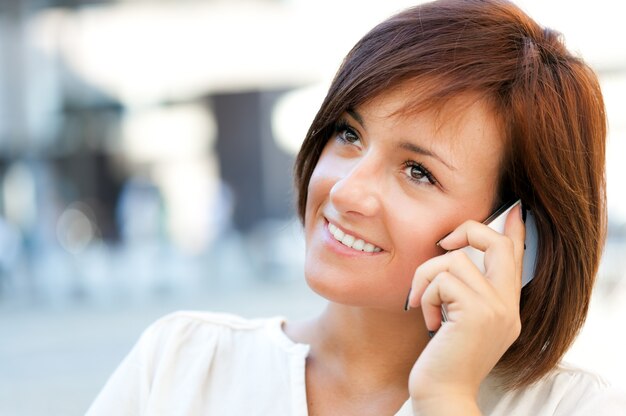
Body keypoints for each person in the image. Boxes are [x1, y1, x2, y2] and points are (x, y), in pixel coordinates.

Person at [87, 0, 626, 414]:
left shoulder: (569, 406)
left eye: (418, 172)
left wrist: (446, 395)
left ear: (516, 236)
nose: (345, 191)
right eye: (348, 133)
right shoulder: (183, 364)